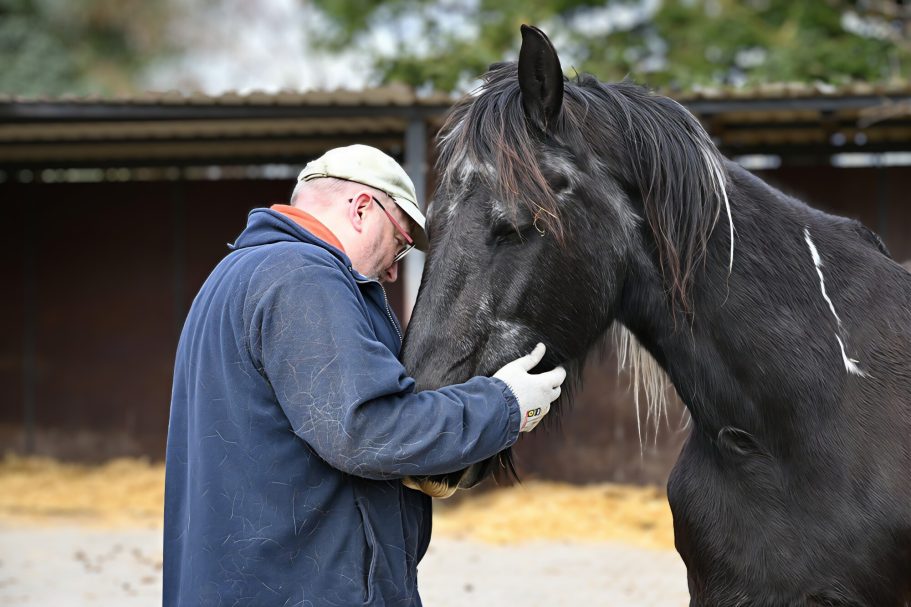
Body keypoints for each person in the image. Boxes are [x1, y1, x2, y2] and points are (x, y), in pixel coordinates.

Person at [163, 144, 567, 606]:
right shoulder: (303, 276)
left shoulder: (234, 275)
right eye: (399, 242)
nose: (395, 272)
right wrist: (505, 405)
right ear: (360, 209)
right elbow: (366, 429)